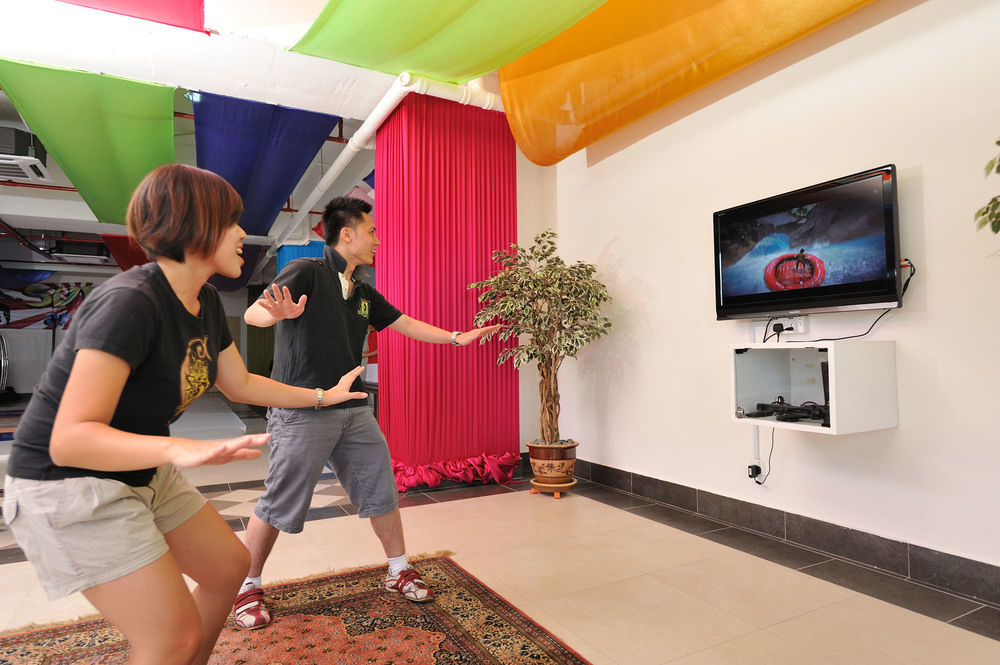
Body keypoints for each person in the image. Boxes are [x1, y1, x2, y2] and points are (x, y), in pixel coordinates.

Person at [1, 164, 368, 665]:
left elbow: (242, 384)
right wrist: (182, 449)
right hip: (66, 483)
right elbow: (69, 439)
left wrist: (325, 395)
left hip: (143, 471)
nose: (241, 235)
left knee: (229, 567)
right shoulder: (130, 302)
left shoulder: (207, 301)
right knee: (171, 639)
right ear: (194, 225)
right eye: (231, 222)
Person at [239, 195, 498, 628]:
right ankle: (246, 586)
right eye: (372, 231)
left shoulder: (361, 291)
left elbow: (404, 322)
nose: (378, 239)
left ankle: (398, 569)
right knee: (280, 499)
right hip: (303, 407)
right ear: (347, 234)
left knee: (380, 488)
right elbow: (252, 314)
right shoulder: (306, 271)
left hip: (353, 407)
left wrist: (456, 337)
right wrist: (275, 314)